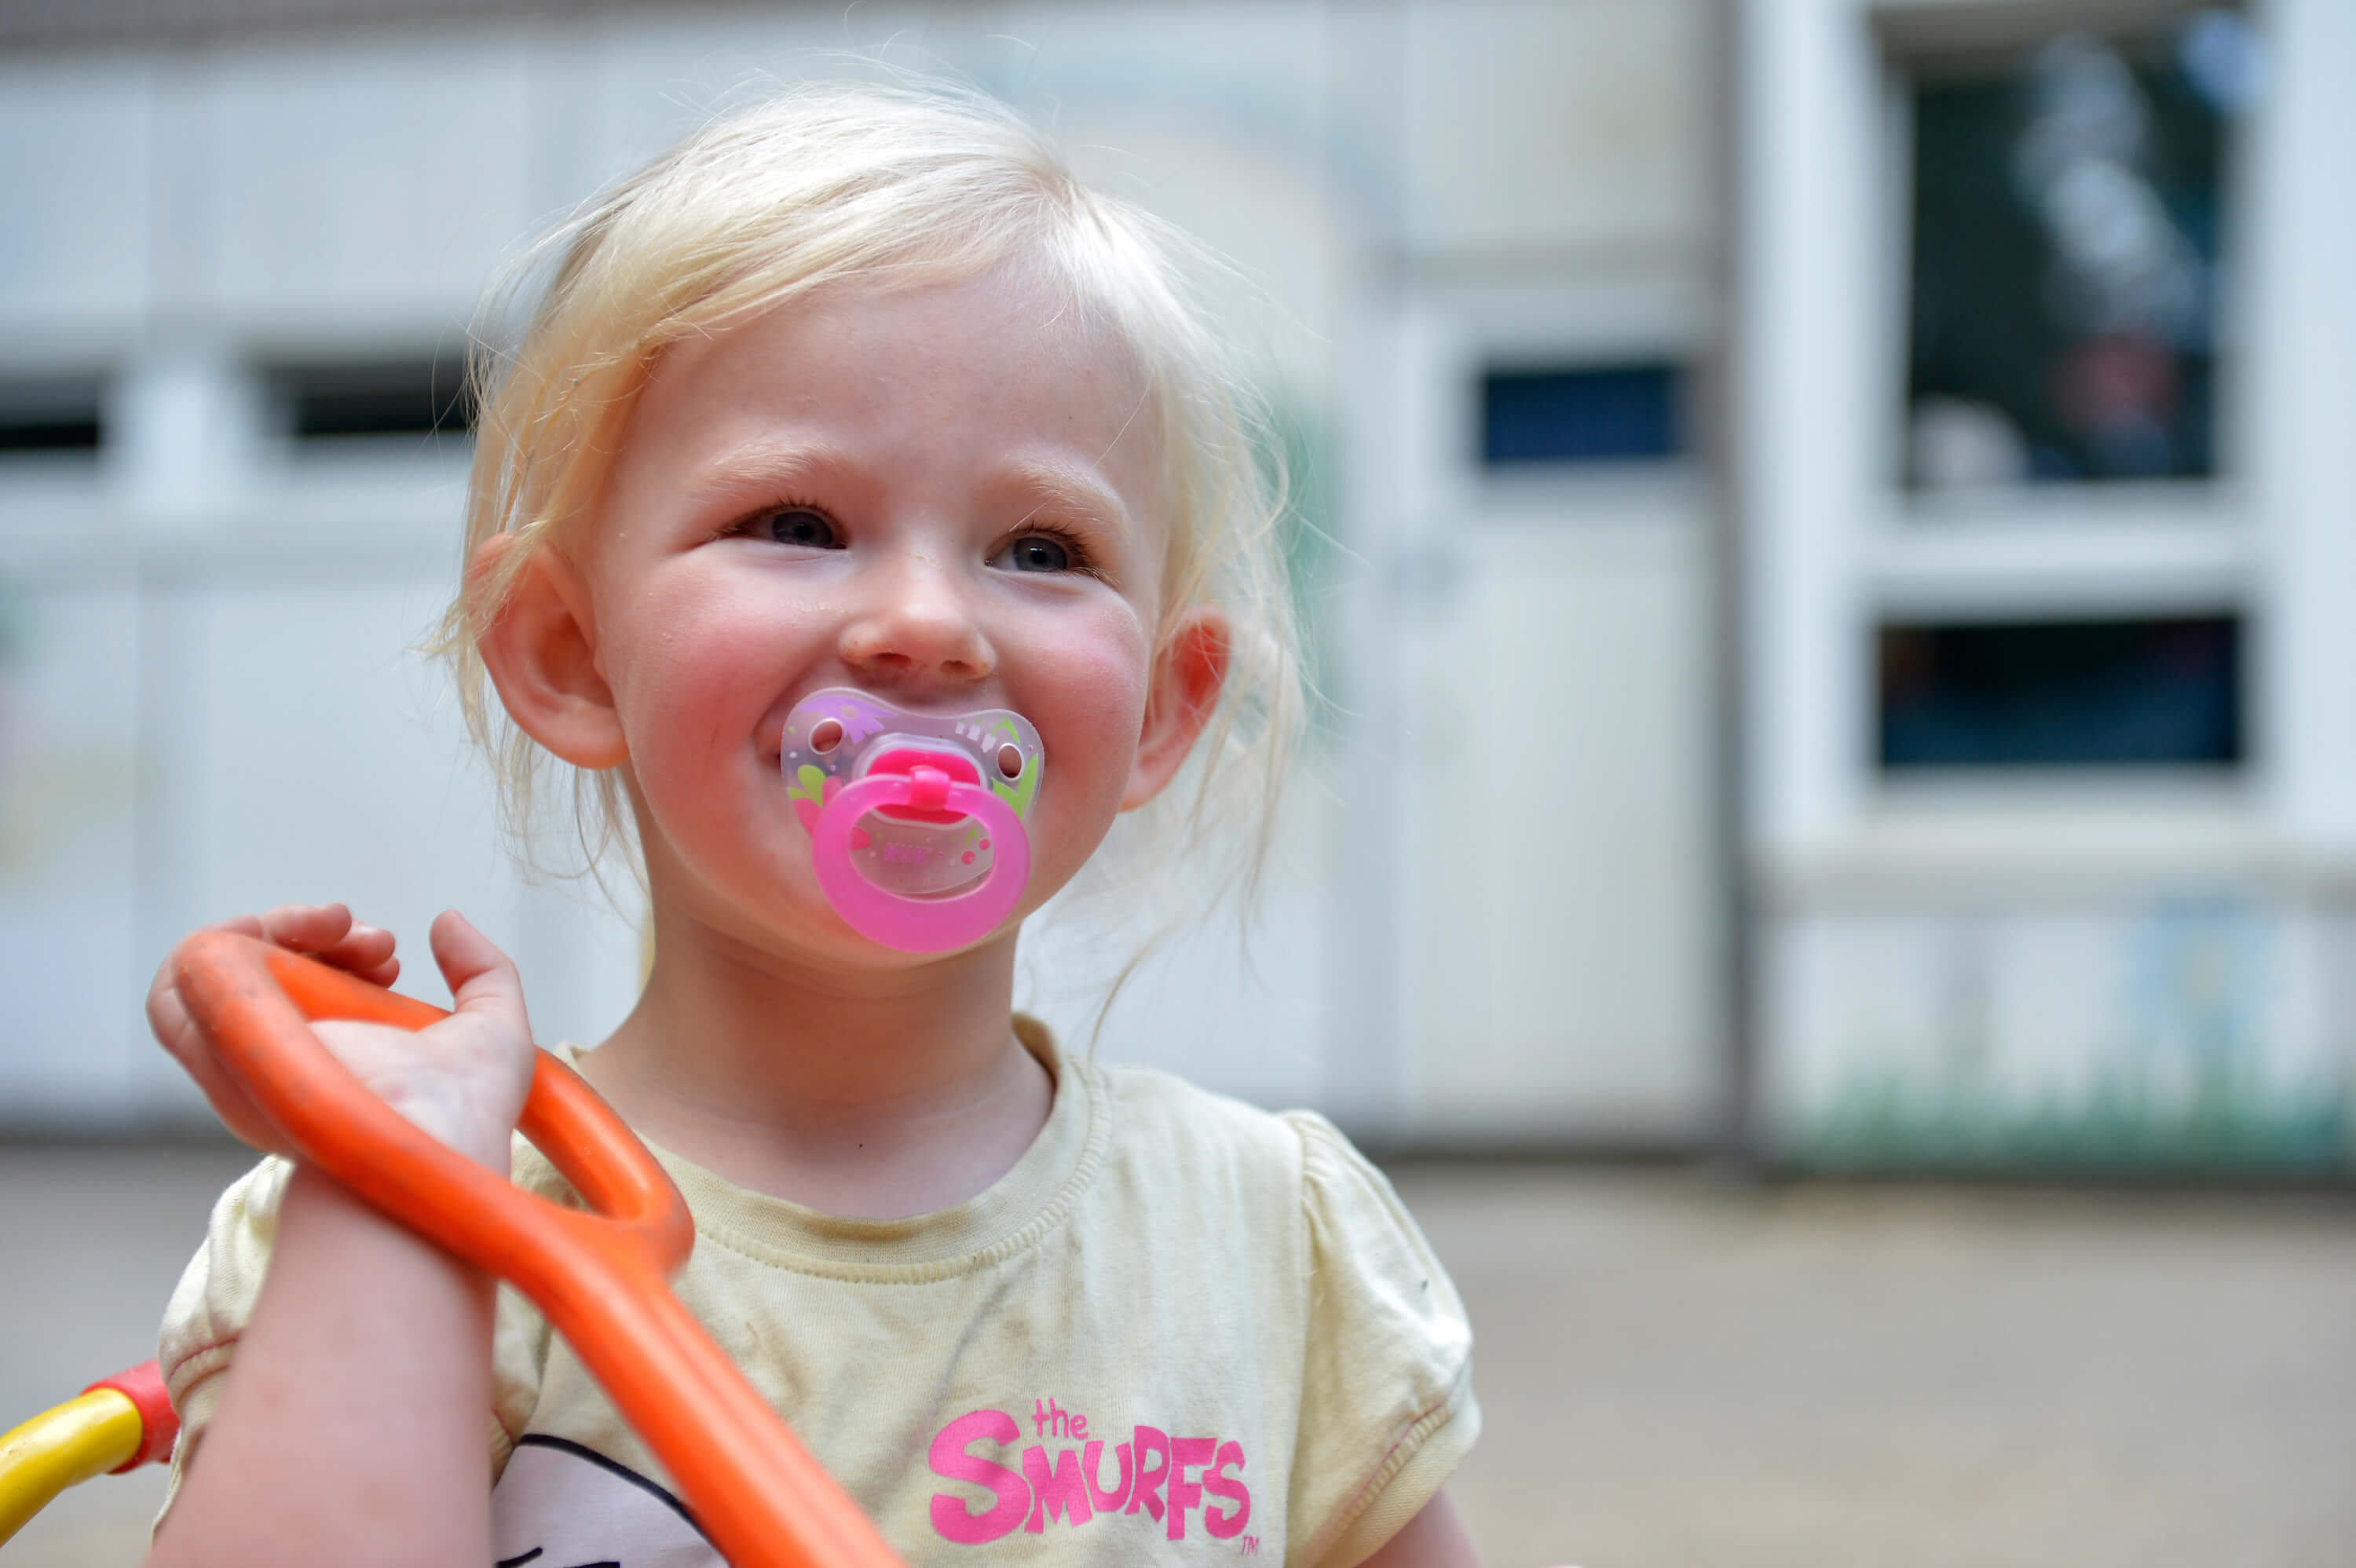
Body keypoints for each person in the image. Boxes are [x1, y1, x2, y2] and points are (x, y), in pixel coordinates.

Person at [141, 77, 1480, 1568]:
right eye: (796, 524)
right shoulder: (435, 1209)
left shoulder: (1269, 1242)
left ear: (1166, 705)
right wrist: (386, 1202)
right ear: (572, 653)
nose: (927, 625)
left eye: (1042, 547)